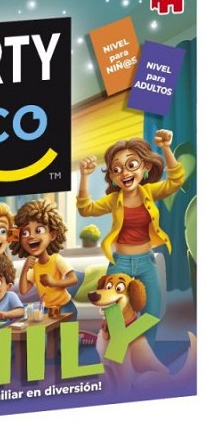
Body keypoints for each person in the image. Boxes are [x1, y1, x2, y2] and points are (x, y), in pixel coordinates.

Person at [76, 129, 184, 340]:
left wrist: (166, 148)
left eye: (131, 165)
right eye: (116, 169)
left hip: (146, 261)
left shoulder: (149, 192)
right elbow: (86, 209)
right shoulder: (113, 199)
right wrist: (84, 177)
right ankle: (119, 351)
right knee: (112, 312)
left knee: (152, 312)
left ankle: (144, 351)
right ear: (112, 176)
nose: (124, 173)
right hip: (120, 262)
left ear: (146, 167)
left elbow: (175, 181)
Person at [11, 198, 79, 316]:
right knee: (45, 328)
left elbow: (73, 279)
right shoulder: (34, 266)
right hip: (47, 309)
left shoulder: (56, 259)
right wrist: (25, 269)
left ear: (52, 235)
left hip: (65, 307)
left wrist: (53, 282)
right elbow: (23, 290)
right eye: (25, 233)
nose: (31, 236)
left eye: (39, 230)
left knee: (68, 329)